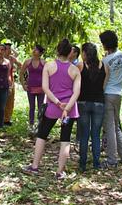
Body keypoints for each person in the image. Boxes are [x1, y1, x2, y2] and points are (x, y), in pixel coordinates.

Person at [23, 39, 81, 180]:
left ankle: (34, 166)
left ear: (57, 51)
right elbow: (76, 92)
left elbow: (45, 88)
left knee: (42, 135)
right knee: (65, 139)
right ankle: (60, 172)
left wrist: (57, 102)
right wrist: (66, 107)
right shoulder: (75, 70)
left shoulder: (49, 66)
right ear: (70, 53)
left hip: (53, 107)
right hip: (69, 109)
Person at [99, 30, 122, 168]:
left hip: (108, 94)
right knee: (116, 126)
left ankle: (112, 160)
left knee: (110, 127)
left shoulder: (105, 61)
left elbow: (103, 79)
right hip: (118, 93)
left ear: (106, 44)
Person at [77, 42, 109, 171]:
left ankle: (82, 164)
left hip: (83, 102)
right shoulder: (104, 66)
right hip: (99, 103)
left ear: (85, 53)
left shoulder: (80, 66)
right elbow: (104, 86)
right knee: (96, 134)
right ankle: (96, 163)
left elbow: (76, 85)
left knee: (84, 134)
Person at [21, 45, 46, 133]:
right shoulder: (28, 62)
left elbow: (48, 75)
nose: (34, 51)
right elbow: (21, 73)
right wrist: (23, 84)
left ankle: (40, 125)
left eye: (36, 50)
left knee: (40, 107)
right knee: (32, 107)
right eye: (34, 49)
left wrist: (46, 86)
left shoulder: (43, 62)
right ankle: (31, 125)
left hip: (41, 88)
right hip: (30, 87)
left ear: (40, 53)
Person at [3, 41, 21, 126]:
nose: (9, 50)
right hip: (1, 82)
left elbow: (20, 65)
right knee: (0, 101)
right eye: (7, 48)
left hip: (11, 81)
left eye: (10, 48)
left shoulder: (12, 58)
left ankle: (7, 119)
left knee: (10, 101)